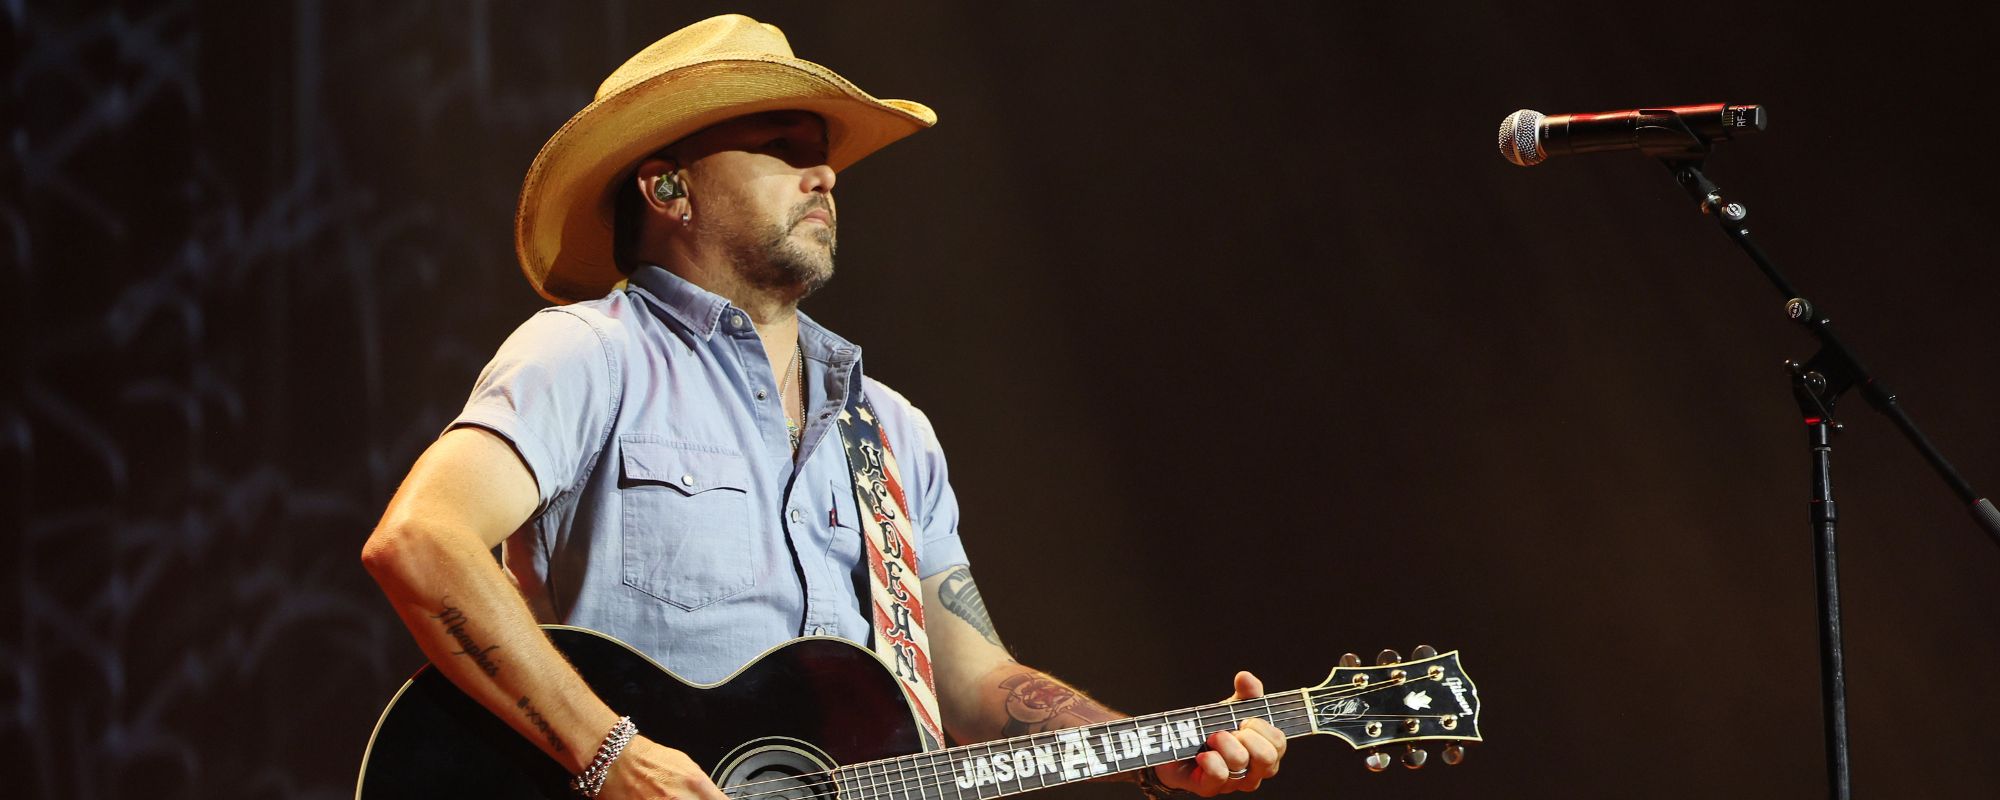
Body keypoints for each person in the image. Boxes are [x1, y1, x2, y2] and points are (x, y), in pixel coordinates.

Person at [360, 14, 1287, 800]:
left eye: (825, 155)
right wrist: (612, 758)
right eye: (782, 149)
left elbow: (974, 683)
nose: (827, 177)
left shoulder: (893, 432)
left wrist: (1163, 753)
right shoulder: (591, 353)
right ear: (668, 186)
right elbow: (421, 542)